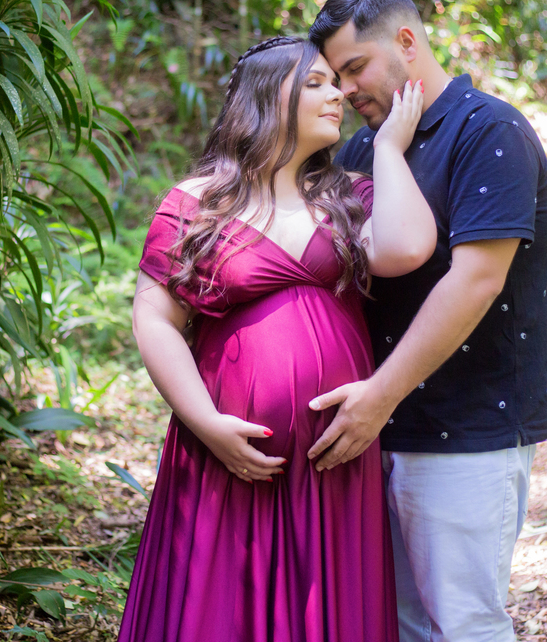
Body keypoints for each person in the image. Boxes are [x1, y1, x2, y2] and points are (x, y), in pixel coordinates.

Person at [119, 36, 437, 642]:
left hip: (332, 459)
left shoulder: (347, 196)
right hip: (226, 453)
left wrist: (391, 151)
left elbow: (407, 248)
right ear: (267, 95)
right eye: (315, 82)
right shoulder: (198, 202)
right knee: (217, 607)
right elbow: (155, 317)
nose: (337, 94)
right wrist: (207, 424)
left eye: (336, 83)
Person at [305, 0, 547, 642]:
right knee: (398, 625)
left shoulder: (491, 132)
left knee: (462, 625)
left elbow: (475, 281)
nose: (345, 88)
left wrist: (377, 397)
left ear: (408, 42)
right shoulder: (364, 147)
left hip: (467, 430)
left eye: (355, 66)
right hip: (378, 428)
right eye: (333, 75)